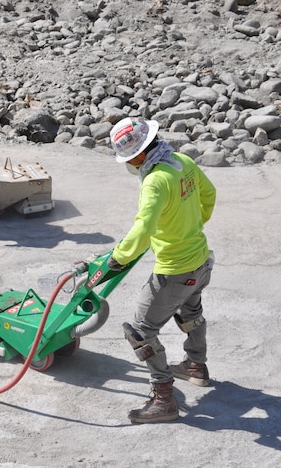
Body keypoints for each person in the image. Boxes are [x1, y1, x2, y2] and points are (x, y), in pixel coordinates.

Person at [107, 116, 217, 424]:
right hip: (201, 261)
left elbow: (144, 226)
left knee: (140, 331)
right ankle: (195, 366)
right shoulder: (180, 160)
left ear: (140, 153)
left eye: (130, 158)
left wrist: (120, 256)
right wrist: (189, 226)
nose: (130, 164)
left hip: (175, 270)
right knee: (190, 314)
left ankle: (164, 398)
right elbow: (209, 195)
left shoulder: (155, 181)